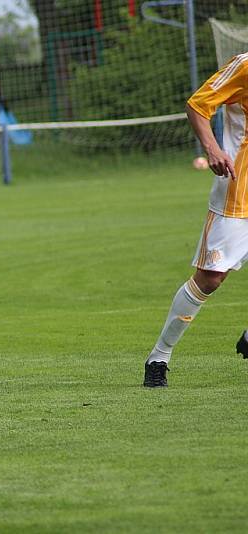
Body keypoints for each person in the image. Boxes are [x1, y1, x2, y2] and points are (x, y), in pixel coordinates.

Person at [143, 53, 246, 387]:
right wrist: (213, 149)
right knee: (211, 278)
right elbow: (198, 104)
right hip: (238, 193)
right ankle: (159, 356)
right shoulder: (245, 65)